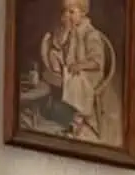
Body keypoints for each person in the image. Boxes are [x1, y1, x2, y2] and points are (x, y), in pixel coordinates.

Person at [41, 0, 107, 141]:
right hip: (72, 67)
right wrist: (64, 32)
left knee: (76, 79)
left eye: (72, 12)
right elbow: (59, 46)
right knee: (53, 53)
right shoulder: (69, 30)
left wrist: (81, 65)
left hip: (89, 73)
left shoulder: (90, 33)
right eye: (64, 11)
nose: (67, 15)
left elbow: (97, 61)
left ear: (83, 13)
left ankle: (76, 119)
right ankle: (59, 87)